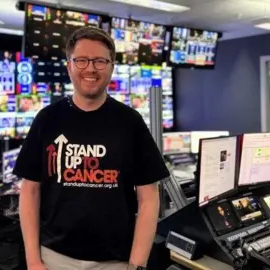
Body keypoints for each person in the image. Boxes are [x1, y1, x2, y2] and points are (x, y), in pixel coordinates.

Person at [14, 26, 169, 270]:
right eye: (82, 60)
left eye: (99, 61)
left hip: (115, 261)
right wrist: (33, 261)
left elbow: (149, 198)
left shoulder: (130, 122)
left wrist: (137, 265)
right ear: (69, 67)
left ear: (111, 67)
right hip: (53, 258)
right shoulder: (47, 119)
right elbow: (30, 191)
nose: (91, 68)